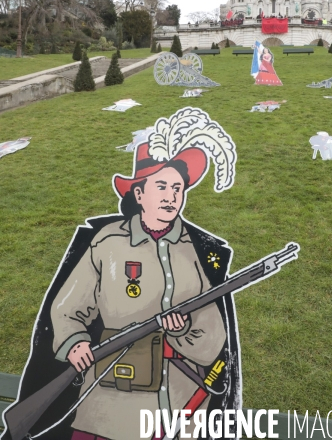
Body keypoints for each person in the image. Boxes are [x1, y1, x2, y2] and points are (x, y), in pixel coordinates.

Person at [7, 108, 240, 440]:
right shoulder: (107, 242)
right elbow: (66, 309)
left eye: (177, 188)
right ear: (139, 194)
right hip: (108, 413)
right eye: (161, 186)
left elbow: (213, 333)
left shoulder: (194, 250)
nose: (172, 197)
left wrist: (182, 330)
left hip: (182, 408)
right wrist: (75, 344)